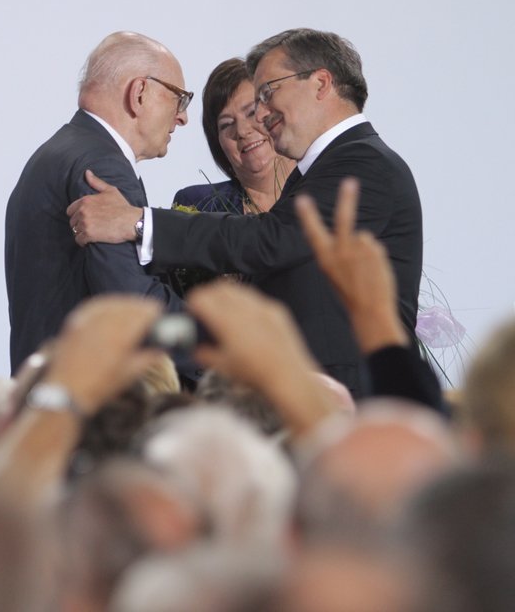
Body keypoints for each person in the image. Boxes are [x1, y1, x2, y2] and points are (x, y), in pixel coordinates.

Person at [68, 28, 423, 398]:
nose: (262, 115)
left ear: (320, 83)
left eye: (268, 93)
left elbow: (272, 239)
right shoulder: (324, 170)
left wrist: (139, 222)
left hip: (353, 404)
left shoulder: (362, 162)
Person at [5, 31, 189, 373]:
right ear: (139, 92)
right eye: (180, 99)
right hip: (90, 395)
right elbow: (132, 307)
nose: (182, 117)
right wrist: (218, 339)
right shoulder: (102, 166)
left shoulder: (58, 152)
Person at [173, 57, 293, 214]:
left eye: (251, 112)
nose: (242, 131)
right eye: (227, 124)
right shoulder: (198, 204)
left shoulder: (325, 188)